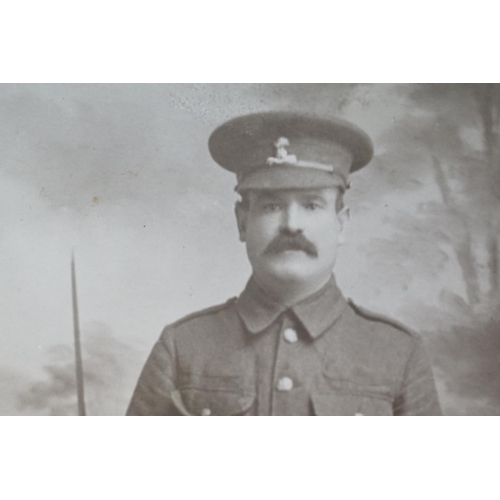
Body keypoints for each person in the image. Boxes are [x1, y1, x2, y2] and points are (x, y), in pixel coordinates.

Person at [127, 111, 442, 416]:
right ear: (242, 222)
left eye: (311, 205)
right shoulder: (183, 348)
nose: (291, 225)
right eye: (272, 205)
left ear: (341, 224)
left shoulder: (398, 353)